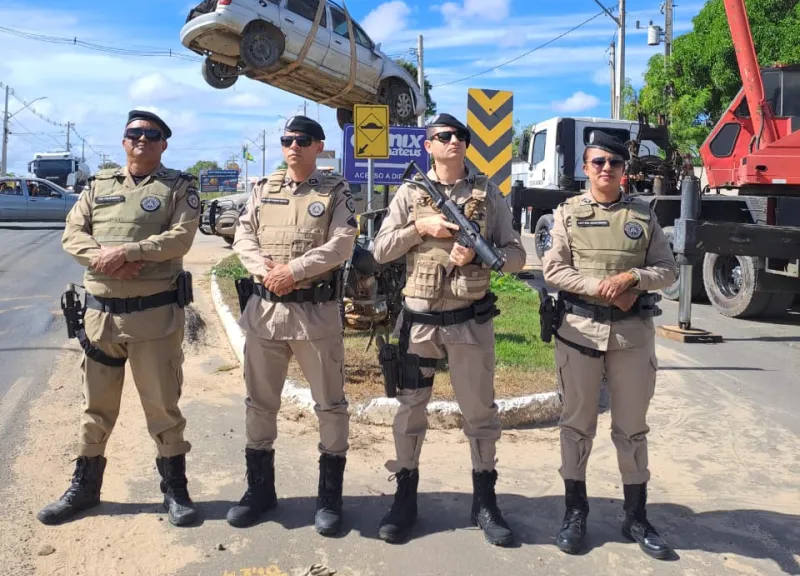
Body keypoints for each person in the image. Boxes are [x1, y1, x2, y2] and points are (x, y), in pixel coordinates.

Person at [38, 110, 202, 527]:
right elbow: (72, 234)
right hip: (100, 319)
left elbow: (180, 237)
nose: (141, 139)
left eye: (151, 134)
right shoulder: (97, 186)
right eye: (134, 134)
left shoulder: (178, 187)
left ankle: (175, 490)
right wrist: (103, 259)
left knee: (163, 407)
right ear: (124, 141)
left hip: (155, 319)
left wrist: (128, 253)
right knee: (95, 407)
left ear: (164, 143)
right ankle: (85, 488)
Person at [373, 113, 526, 546]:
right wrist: (419, 227)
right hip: (419, 323)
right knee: (410, 409)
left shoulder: (487, 193)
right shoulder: (410, 193)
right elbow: (381, 250)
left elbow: (516, 257)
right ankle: (405, 498)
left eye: (460, 135)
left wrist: (478, 256)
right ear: (429, 146)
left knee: (479, 414)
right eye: (443, 136)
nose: (454, 140)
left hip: (468, 322)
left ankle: (485, 501)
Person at [542, 132, 678, 559]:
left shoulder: (643, 215)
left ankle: (636, 516)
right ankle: (574, 512)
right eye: (597, 162)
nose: (605, 168)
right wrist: (602, 287)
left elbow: (667, 269)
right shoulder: (566, 213)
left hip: (632, 336)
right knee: (577, 425)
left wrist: (633, 279)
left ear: (624, 170)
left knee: (632, 429)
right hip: (579, 331)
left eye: (613, 163)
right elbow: (553, 270)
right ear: (586, 167)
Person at [228, 116, 357, 536]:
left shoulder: (335, 191)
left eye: (302, 140)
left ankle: (329, 499)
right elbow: (243, 235)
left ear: (319, 146)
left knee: (330, 407)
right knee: (259, 405)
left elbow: (341, 243)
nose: (293, 146)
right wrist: (262, 268)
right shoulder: (263, 189)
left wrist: (294, 271)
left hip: (314, 318)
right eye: (287, 140)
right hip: (265, 314)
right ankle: (260, 492)